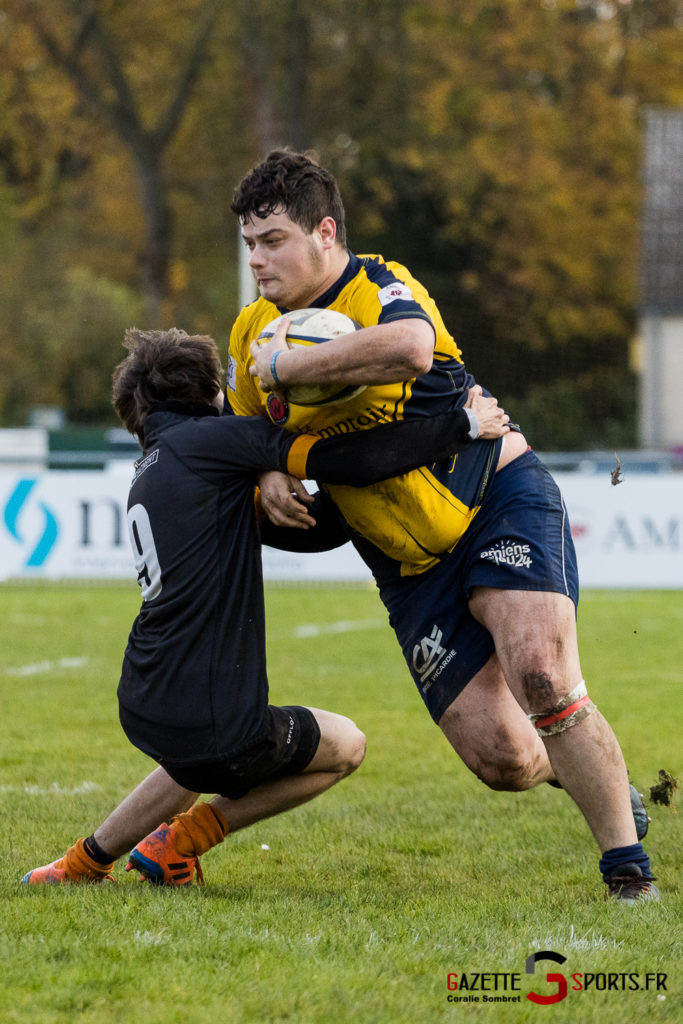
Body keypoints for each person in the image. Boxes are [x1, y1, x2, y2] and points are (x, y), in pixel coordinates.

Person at [224, 148, 657, 903]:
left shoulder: (380, 286)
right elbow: (248, 435)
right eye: (250, 244)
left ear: (324, 232)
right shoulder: (249, 336)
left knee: (543, 677)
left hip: (496, 497)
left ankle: (628, 875)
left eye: (273, 241)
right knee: (504, 761)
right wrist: (268, 476)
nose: (257, 260)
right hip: (406, 567)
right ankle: (603, 785)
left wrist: (293, 371)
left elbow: (412, 348)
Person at [22, 324, 508, 886]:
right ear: (209, 397)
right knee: (347, 744)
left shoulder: (152, 471)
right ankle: (182, 840)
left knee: (190, 758)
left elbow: (319, 528)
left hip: (144, 698)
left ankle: (81, 864)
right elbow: (343, 461)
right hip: (218, 719)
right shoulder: (210, 443)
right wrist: (461, 426)